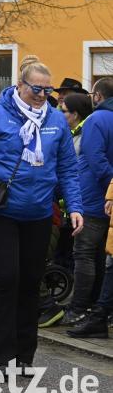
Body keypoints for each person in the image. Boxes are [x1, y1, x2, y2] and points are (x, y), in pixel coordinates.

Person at [0, 60, 84, 375]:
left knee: (30, 283)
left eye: (47, 89)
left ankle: (25, 356)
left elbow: (68, 168)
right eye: (36, 88)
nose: (42, 94)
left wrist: (76, 206)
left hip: (39, 212)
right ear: (20, 85)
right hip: (0, 211)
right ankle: (1, 357)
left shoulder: (56, 121)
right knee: (6, 279)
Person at [63, 77, 113, 326]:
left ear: (98, 96)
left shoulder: (96, 119)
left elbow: (95, 158)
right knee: (103, 255)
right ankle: (98, 306)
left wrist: (110, 187)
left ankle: (79, 307)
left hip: (93, 197)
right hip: (105, 199)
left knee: (84, 254)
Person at [68, 177, 113, 338]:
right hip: (97, 204)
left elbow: (98, 163)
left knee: (94, 259)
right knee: (109, 264)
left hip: (91, 205)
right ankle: (98, 316)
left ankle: (88, 313)